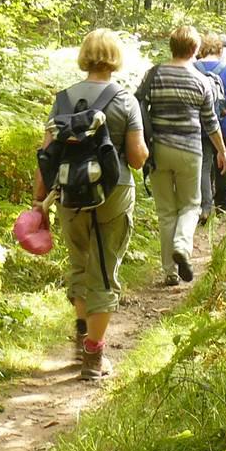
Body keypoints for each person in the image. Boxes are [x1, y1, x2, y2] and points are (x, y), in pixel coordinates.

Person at [32, 29, 148, 381]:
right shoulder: (125, 101)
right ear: (114, 58)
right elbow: (137, 158)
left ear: (85, 57)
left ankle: (83, 336)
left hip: (70, 195)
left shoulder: (63, 100)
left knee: (80, 266)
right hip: (113, 193)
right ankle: (94, 357)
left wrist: (39, 199)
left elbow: (47, 154)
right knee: (104, 271)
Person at [137, 25, 226, 286]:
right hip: (189, 150)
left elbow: (138, 109)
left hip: (157, 151)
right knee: (191, 205)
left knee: (166, 211)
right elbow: (210, 122)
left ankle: (170, 272)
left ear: (172, 46)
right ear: (195, 50)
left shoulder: (154, 75)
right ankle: (181, 244)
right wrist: (222, 151)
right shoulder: (201, 81)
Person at [196, 33, 226, 222]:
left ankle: (204, 207)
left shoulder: (193, 68)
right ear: (220, 49)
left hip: (201, 125)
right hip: (225, 126)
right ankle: (222, 207)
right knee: (223, 163)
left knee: (204, 164)